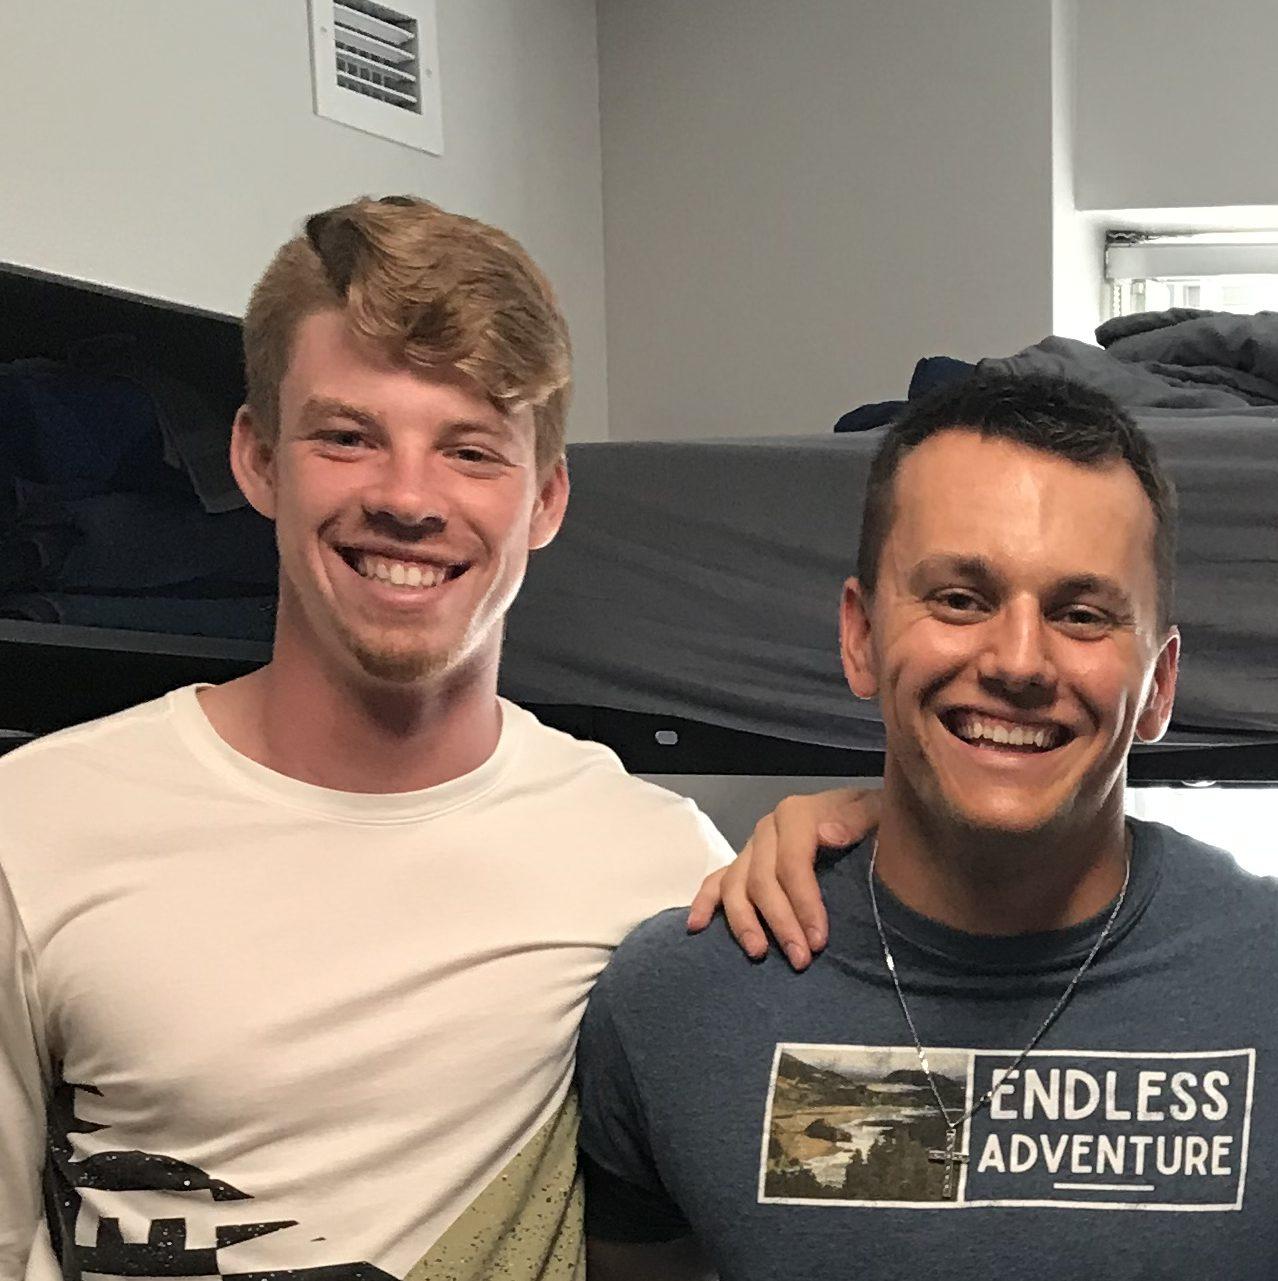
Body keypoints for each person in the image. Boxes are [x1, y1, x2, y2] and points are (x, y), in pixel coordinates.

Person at [0, 196, 874, 1281]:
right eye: (347, 437)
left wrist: (902, 841)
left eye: (471, 450)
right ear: (257, 459)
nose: (408, 498)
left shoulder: (656, 861)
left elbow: (855, 1178)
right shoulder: (36, 824)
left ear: (546, 499)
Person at [577, 373, 1278, 1279]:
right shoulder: (676, 1002)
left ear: (1161, 683)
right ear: (860, 636)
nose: (1019, 661)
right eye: (959, 598)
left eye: (1081, 614)